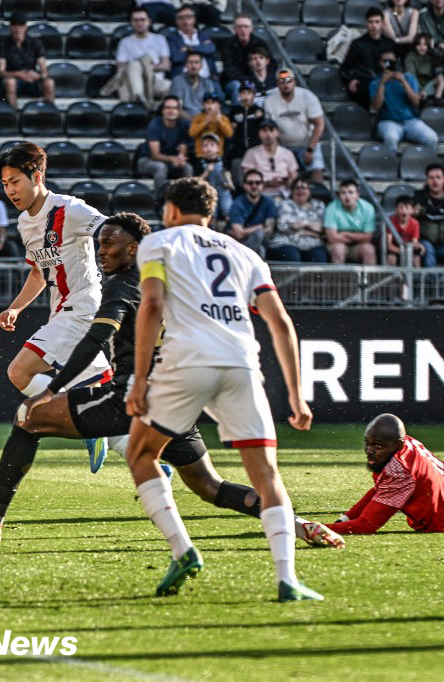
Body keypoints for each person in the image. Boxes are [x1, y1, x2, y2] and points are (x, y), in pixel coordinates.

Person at [0, 214, 343, 551]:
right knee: (209, 486)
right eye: (99, 243)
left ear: (133, 248)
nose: (101, 251)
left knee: (27, 420)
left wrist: (52, 390)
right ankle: (299, 524)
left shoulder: (125, 286)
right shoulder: (172, 281)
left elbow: (96, 338)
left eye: (109, 244)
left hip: (131, 397)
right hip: (177, 397)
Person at [125, 176, 325, 602]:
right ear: (211, 213)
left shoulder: (159, 243)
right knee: (267, 474)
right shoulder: (245, 253)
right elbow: (279, 322)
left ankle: (183, 550)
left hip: (187, 362)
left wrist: (140, 379)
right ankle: (287, 579)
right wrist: (296, 395)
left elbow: (153, 305)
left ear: (172, 210)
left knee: (141, 454)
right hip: (241, 363)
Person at [0, 142, 114, 469]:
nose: (10, 190)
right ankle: (157, 464)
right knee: (108, 404)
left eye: (15, 181)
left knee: (20, 371)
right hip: (64, 313)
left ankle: (85, 419)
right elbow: (38, 272)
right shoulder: (24, 223)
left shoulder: (69, 210)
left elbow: (113, 231)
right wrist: (15, 308)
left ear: (38, 176)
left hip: (82, 311)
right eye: (5, 184)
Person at [327, 414, 444, 534]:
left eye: (378, 446)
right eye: (367, 443)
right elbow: (379, 490)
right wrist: (343, 520)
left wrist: (318, 529)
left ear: (398, 445)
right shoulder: (405, 442)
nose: (369, 451)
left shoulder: (399, 471)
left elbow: (366, 525)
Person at [264, 69, 326, 184]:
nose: (285, 85)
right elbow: (270, 130)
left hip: (307, 143)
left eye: (288, 81)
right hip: (283, 145)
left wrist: (310, 149)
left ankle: (318, 196)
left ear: (294, 82)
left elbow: (319, 124)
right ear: (277, 84)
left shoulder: (308, 96)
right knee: (283, 173)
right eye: (282, 82)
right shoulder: (270, 101)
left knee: (316, 169)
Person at [370, 48, 439, 148]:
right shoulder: (375, 83)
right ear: (381, 63)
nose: (388, 64)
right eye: (385, 61)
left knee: (432, 138)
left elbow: (416, 102)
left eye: (391, 61)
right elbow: (376, 107)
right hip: (388, 121)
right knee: (391, 138)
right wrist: (383, 83)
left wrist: (404, 82)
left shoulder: (408, 78)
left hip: (411, 121)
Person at [108, 9, 171, 110]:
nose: (139, 23)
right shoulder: (125, 42)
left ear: (149, 21)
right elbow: (121, 67)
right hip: (133, 81)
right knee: (133, 69)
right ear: (131, 22)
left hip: (155, 80)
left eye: (142, 20)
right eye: (136, 20)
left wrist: (144, 68)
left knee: (170, 86)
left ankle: (159, 112)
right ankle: (139, 101)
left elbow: (165, 65)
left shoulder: (160, 39)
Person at [341, 8, 398, 108]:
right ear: (366, 23)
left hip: (386, 81)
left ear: (382, 24)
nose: (374, 25)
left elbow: (395, 66)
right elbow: (346, 67)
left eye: (377, 22)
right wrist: (351, 79)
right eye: (370, 22)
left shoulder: (389, 44)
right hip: (366, 83)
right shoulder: (358, 43)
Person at [0, 13, 55, 110]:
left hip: (31, 79)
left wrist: (39, 76)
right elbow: (1, 72)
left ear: (25, 27)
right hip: (14, 79)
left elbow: (44, 71)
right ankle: (13, 115)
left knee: (49, 83)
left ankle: (50, 114)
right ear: (10, 27)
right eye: (15, 25)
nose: (18, 28)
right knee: (10, 82)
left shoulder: (35, 43)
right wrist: (18, 74)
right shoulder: (3, 44)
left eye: (21, 25)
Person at [136, 96, 193, 190]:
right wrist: (173, 159)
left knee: (188, 167)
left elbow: (183, 149)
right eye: (168, 107)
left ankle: (185, 199)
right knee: (161, 167)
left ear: (179, 111)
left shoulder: (183, 125)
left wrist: (180, 159)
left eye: (174, 108)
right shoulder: (155, 125)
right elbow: (155, 155)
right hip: (147, 161)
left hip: (169, 161)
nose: (171, 111)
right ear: (162, 110)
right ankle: (161, 198)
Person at [268, 179, 328, 262]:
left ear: (309, 191)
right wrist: (311, 230)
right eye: (297, 188)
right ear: (291, 191)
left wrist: (304, 223)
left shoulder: (318, 204)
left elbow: (322, 227)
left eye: (304, 188)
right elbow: (283, 226)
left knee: (318, 258)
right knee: (292, 257)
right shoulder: (285, 204)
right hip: (286, 241)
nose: (300, 191)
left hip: (313, 243)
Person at [415, 163, 444, 265]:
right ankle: (431, 281)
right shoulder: (417, 197)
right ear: (427, 180)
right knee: (427, 250)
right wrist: (413, 213)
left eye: (438, 177)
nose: (435, 181)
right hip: (426, 243)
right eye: (431, 178)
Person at [240, 119, 298, 198]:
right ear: (259, 134)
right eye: (264, 131)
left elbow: (294, 178)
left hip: (284, 195)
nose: (268, 134)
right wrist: (269, 183)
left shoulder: (287, 153)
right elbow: (248, 181)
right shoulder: (251, 153)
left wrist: (286, 181)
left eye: (271, 130)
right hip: (260, 196)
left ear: (277, 133)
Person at [324, 179, 377, 264]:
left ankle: (370, 278)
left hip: (357, 246)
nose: (347, 196)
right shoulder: (332, 208)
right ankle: (338, 277)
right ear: (339, 196)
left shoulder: (368, 208)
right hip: (337, 244)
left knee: (369, 249)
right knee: (339, 249)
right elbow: (332, 238)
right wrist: (358, 237)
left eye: (351, 192)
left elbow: (368, 237)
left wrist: (346, 234)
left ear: (357, 195)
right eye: (343, 193)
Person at [226, 168, 278, 257]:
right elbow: (238, 235)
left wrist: (246, 231)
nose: (254, 186)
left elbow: (269, 231)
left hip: (263, 241)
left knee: (259, 235)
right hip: (242, 244)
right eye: (250, 183)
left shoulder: (269, 202)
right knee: (260, 249)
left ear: (262, 185)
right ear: (245, 185)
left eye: (258, 183)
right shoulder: (237, 203)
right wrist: (260, 226)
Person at [405, 33, 444, 112]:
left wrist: (433, 49)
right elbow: (412, 77)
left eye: (425, 44)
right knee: (410, 78)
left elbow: (443, 57)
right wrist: (420, 90)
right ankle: (423, 99)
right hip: (416, 86)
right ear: (415, 45)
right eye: (419, 44)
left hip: (428, 86)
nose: (422, 47)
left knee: (441, 77)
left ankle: (437, 100)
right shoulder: (411, 57)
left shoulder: (430, 55)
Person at [221, 14, 267, 103]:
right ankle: (238, 115)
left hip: (257, 79)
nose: (243, 29)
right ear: (234, 29)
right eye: (239, 27)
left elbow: (271, 63)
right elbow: (229, 70)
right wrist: (248, 80)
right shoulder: (228, 44)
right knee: (238, 87)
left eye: (246, 26)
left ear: (251, 28)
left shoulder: (260, 43)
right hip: (233, 81)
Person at [168, 5, 218, 78]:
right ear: (176, 21)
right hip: (183, 79)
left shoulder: (203, 35)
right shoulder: (172, 38)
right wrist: (201, 48)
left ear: (194, 19)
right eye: (181, 18)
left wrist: (188, 48)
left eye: (189, 17)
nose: (185, 21)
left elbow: (210, 49)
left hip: (208, 79)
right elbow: (176, 57)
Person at [169, 52, 221, 119]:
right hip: (184, 120)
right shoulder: (177, 81)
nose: (193, 65)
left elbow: (212, 105)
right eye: (190, 62)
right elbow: (176, 108)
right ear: (186, 65)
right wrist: (193, 122)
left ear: (201, 65)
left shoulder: (207, 83)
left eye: (196, 62)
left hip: (204, 119)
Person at [196, 133, 233, 220]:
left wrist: (228, 182)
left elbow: (228, 175)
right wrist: (207, 172)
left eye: (212, 145)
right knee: (211, 213)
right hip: (208, 191)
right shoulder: (200, 163)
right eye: (205, 145)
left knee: (228, 209)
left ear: (218, 148)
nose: (209, 148)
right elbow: (197, 181)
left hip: (223, 190)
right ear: (202, 149)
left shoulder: (224, 160)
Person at [227, 81, 264, 165]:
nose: (246, 96)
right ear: (239, 95)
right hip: (238, 150)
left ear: (254, 95)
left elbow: (262, 128)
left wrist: (260, 118)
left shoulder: (258, 110)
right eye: (243, 93)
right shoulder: (234, 110)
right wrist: (232, 126)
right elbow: (229, 128)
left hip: (256, 149)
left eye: (249, 93)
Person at [386, 194, 426, 266]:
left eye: (407, 208)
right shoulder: (391, 222)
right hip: (394, 249)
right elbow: (389, 245)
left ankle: (417, 276)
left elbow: (414, 242)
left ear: (412, 210)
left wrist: (419, 246)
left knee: (417, 258)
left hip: (407, 248)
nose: (404, 211)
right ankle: (393, 277)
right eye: (401, 208)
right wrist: (403, 251)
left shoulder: (415, 223)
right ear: (396, 209)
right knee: (391, 258)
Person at [189, 92, 232, 158]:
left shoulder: (223, 119)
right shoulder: (198, 118)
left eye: (213, 103)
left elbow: (229, 134)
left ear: (218, 105)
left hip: (217, 155)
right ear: (203, 105)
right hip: (201, 155)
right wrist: (205, 123)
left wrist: (219, 122)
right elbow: (192, 133)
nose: (210, 105)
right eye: (207, 103)